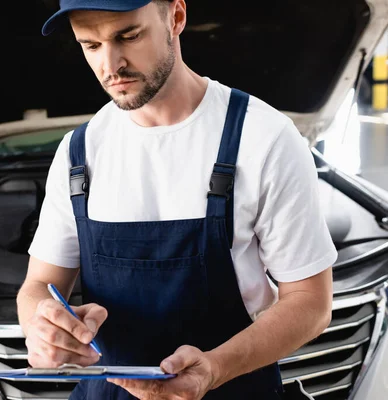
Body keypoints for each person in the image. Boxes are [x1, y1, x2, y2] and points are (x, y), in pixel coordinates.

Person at [17, 1, 337, 399]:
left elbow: (310, 302)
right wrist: (40, 326)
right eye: (90, 45)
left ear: (176, 17)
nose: (110, 66)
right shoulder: (78, 152)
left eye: (128, 36)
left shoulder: (263, 138)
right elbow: (39, 284)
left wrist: (216, 368)